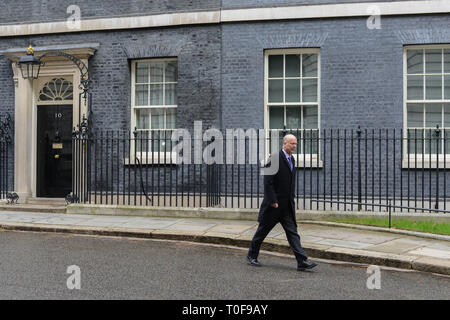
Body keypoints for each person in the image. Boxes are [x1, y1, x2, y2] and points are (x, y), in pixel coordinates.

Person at [247, 133, 318, 271]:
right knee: (262, 232)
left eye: (296, 144)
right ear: (284, 143)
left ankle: (301, 261)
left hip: (286, 206)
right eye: (292, 143)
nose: (295, 146)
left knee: (293, 233)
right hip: (274, 206)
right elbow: (268, 183)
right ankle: (251, 256)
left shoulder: (292, 159)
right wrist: (273, 200)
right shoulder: (274, 158)